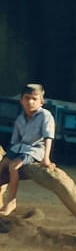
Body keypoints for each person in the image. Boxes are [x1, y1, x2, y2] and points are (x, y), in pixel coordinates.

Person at [1, 83, 56, 217]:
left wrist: (46, 158)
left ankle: (11, 202)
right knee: (2, 165)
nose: (30, 102)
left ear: (41, 102)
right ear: (21, 100)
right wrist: (8, 156)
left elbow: (48, 137)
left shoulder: (45, 116)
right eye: (27, 98)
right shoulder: (20, 119)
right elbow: (15, 141)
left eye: (34, 99)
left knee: (13, 167)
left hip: (34, 150)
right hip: (19, 148)